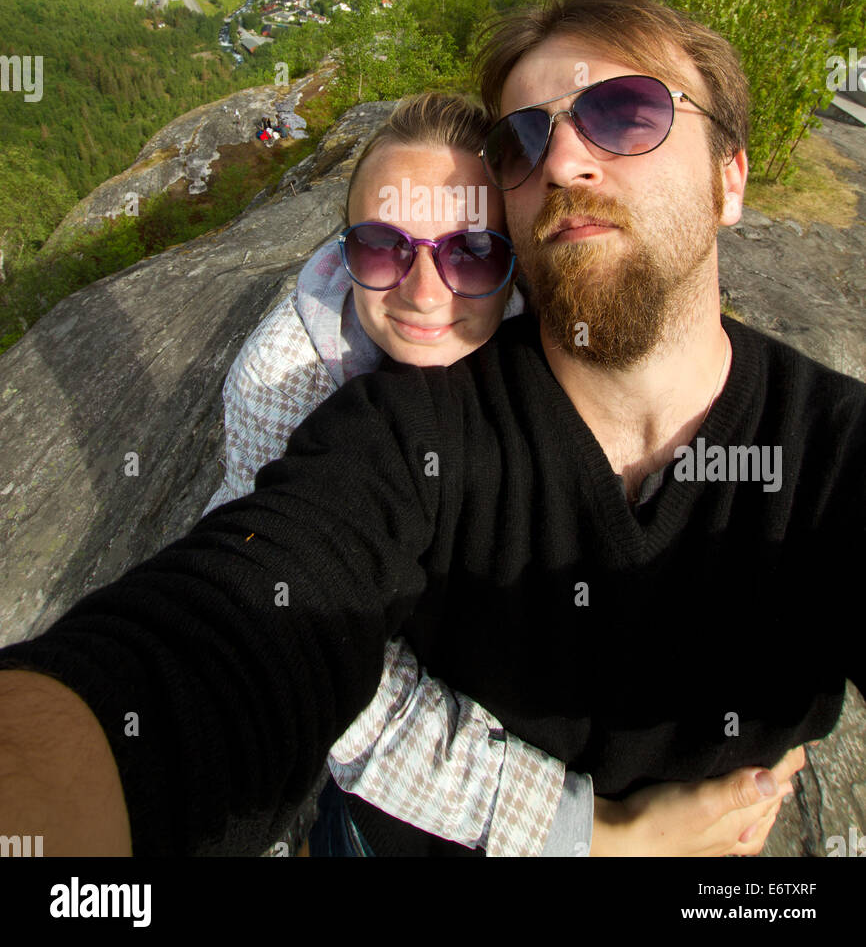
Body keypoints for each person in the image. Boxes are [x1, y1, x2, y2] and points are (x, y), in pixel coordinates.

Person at [1, 0, 856, 858]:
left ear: (730, 178)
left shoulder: (831, 449)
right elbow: (243, 625)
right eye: (524, 140)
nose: (562, 162)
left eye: (627, 113)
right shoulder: (389, 425)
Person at [209, 90, 796, 856]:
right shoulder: (287, 382)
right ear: (344, 245)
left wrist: (756, 719)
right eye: (383, 247)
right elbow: (323, 671)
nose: (424, 294)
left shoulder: (555, 312)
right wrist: (597, 834)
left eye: (471, 252)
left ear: (517, 253)